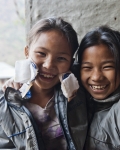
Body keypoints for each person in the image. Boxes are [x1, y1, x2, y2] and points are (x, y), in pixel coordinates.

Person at [0, 17, 88, 150]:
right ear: (27, 52)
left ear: (71, 62)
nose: (49, 65)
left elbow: (117, 75)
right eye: (41, 53)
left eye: (61, 58)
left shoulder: (81, 87)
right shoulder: (7, 103)